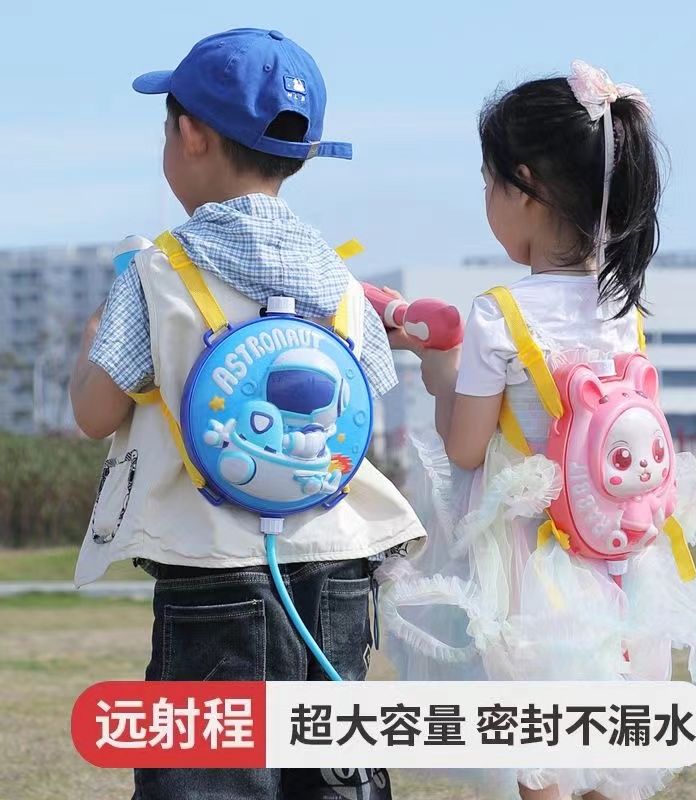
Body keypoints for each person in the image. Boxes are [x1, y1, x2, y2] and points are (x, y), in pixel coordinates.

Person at [376, 61, 696, 800]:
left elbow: (465, 447)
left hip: (533, 562)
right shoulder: (623, 309)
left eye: (489, 184)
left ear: (525, 187)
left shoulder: (500, 314)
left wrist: (440, 368)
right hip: (623, 560)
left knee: (541, 749)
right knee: (603, 739)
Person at [69, 28, 425, 800]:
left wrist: (98, 333)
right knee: (334, 773)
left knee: (209, 775)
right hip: (337, 562)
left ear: (192, 134)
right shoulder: (340, 279)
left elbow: (94, 412)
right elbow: (367, 397)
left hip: (212, 571)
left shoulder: (156, 271)